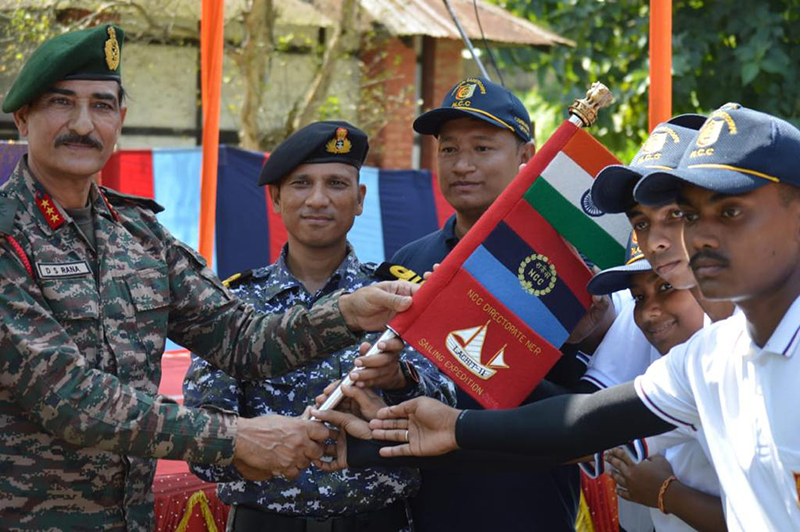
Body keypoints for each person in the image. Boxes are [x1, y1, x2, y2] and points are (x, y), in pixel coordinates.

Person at [0, 25, 416, 531]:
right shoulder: (8, 236)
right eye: (62, 103)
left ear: (121, 120)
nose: (84, 124)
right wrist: (235, 438)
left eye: (103, 105)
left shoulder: (140, 235)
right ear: (23, 117)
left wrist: (348, 312)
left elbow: (242, 339)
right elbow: (66, 396)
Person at [365, 104, 800, 531]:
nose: (696, 235)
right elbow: (584, 424)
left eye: (729, 212)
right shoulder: (709, 356)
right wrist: (456, 427)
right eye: (687, 214)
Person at [184, 121, 456, 532]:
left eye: (336, 184)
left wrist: (399, 379)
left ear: (360, 199)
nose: (318, 199)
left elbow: (449, 408)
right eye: (300, 184)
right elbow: (202, 448)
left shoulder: (398, 296)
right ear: (275, 198)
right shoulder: (234, 304)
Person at [389, 76, 589, 532]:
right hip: (423, 510)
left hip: (526, 507)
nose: (462, 166)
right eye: (449, 150)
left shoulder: (568, 266)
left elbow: (589, 402)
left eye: (482, 149)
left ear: (527, 155)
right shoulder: (407, 263)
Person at [586, 239, 725, 532]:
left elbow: (773, 516)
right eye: (638, 297)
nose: (650, 311)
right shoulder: (677, 367)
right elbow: (587, 432)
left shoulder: (732, 359)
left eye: (666, 287)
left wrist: (668, 494)